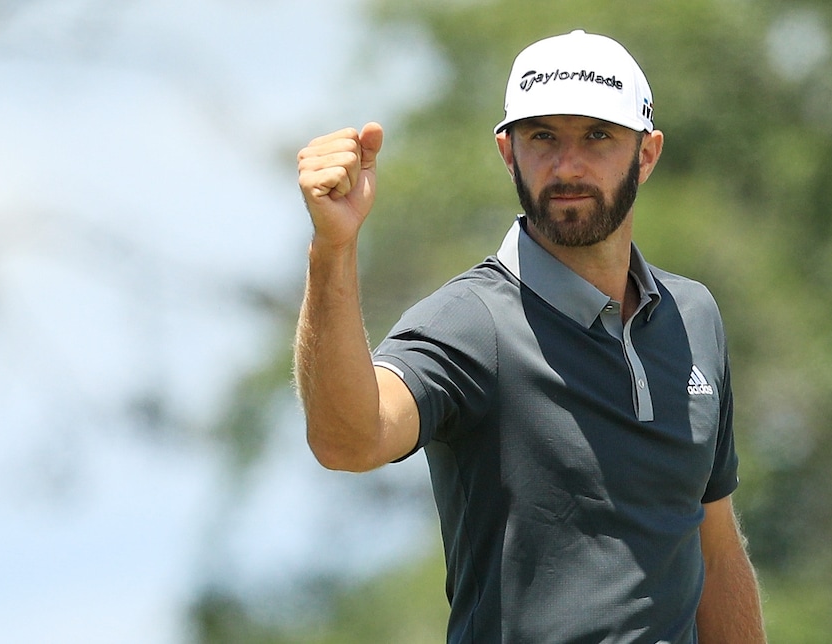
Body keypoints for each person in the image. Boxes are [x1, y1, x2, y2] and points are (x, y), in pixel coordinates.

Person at [295, 29, 765, 643]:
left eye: (597, 136)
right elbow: (348, 442)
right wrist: (334, 248)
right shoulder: (471, 322)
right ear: (508, 152)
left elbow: (713, 543)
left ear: (646, 155)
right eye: (543, 136)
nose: (567, 165)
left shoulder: (693, 316)